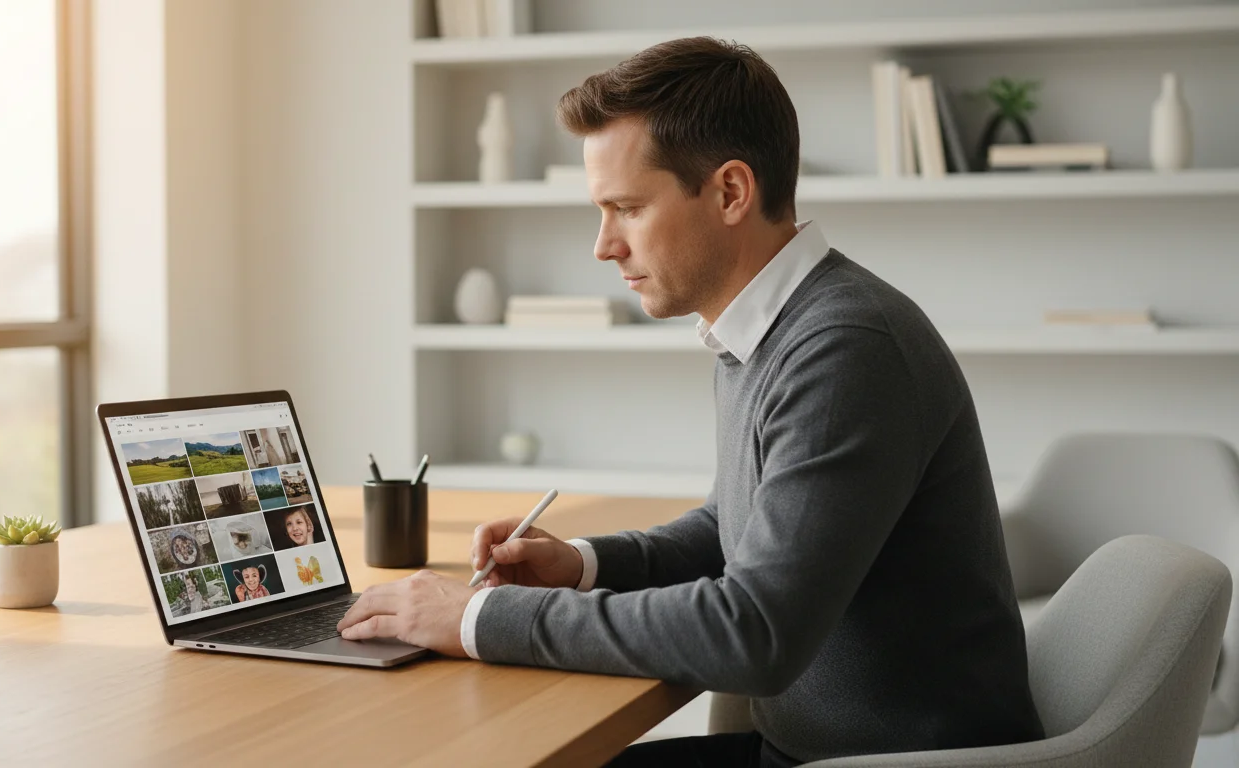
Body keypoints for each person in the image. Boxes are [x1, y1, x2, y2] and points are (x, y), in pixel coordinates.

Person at [337, 37, 1044, 766]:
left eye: (627, 208)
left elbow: (754, 632)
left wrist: (482, 617)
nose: (604, 246)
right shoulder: (765, 328)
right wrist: (581, 564)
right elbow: (733, 528)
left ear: (731, 192)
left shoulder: (845, 348)